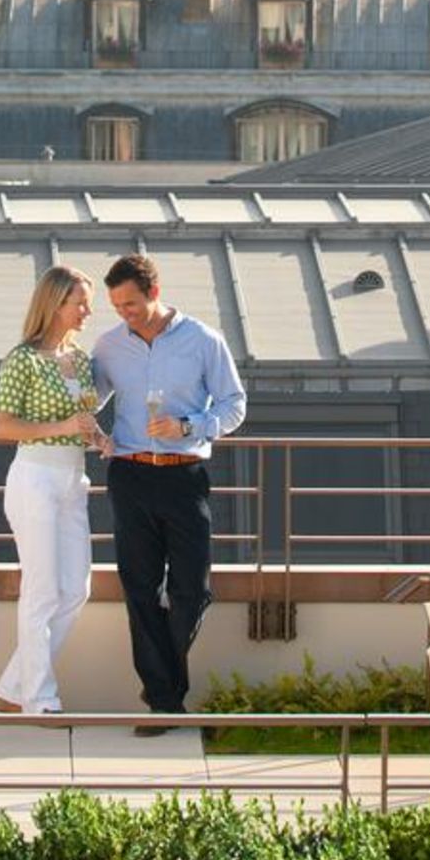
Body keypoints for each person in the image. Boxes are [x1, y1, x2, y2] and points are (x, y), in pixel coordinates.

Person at [93, 254, 246, 733]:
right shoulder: (109, 345)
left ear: (155, 292)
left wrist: (189, 426)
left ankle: (164, 681)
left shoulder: (204, 341)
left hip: (184, 477)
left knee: (192, 590)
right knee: (139, 589)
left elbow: (235, 405)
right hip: (130, 475)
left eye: (132, 304)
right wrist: (86, 429)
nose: (125, 314)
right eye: (117, 306)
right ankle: (163, 701)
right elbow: (86, 400)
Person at [0, 265, 106, 716]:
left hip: (73, 478)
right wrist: (62, 426)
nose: (87, 311)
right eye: (80, 303)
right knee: (41, 591)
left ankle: (14, 688)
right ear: (55, 305)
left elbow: (84, 419)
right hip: (34, 478)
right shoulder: (24, 359)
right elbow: (1, 425)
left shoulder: (79, 360)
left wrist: (98, 438)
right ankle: (38, 699)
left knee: (76, 588)